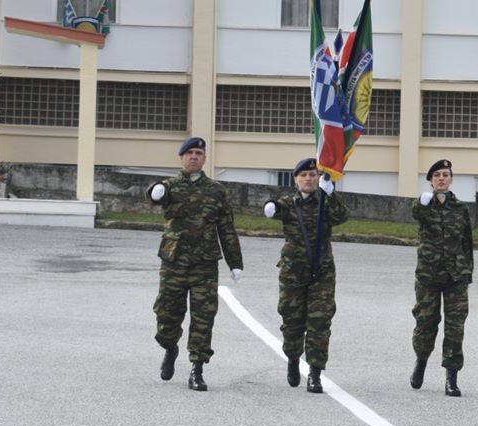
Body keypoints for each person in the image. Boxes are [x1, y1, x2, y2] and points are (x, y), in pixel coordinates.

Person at [148, 136, 243, 392]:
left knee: (204, 317)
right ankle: (170, 346)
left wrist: (235, 262)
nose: (194, 157)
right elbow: (155, 195)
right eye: (189, 153)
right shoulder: (169, 186)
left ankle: (197, 369)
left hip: (204, 263)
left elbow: (227, 228)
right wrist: (155, 192)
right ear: (181, 158)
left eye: (198, 153)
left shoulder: (217, 191)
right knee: (166, 314)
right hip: (174, 261)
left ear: (204, 159)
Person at [263, 157, 347, 393]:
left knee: (320, 322)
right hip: (293, 273)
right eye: (304, 176)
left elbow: (342, 216)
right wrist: (272, 207)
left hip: (322, 271)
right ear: (296, 180)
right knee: (292, 321)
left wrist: (331, 193)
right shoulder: (290, 203)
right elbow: (276, 208)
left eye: (312, 175)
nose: (309, 179)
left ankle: (315, 373)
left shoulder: (325, 203)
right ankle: (292, 358)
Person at [411, 159, 475, 396]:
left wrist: (468, 271)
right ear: (430, 180)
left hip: (456, 275)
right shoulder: (424, 205)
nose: (441, 178)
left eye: (445, 174)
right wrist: (423, 201)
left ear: (451, 179)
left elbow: (467, 241)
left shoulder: (460, 207)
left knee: (455, 327)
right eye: (436, 175)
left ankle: (451, 377)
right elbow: (415, 213)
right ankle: (421, 361)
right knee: (426, 322)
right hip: (428, 275)